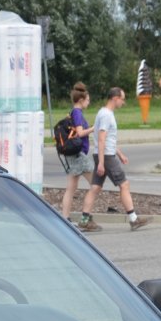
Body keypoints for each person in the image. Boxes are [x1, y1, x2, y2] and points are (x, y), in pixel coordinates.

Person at [83, 86, 148, 231]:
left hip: (104, 154)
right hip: (106, 157)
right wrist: (101, 162)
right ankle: (133, 219)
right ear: (115, 98)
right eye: (122, 99)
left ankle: (84, 220)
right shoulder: (106, 115)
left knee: (95, 188)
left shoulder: (102, 112)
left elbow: (108, 139)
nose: (123, 102)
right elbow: (101, 139)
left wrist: (120, 153)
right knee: (124, 185)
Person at [58, 83, 100, 231]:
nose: (89, 102)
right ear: (81, 100)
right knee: (96, 184)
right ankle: (86, 218)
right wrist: (94, 128)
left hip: (73, 155)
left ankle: (65, 219)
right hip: (78, 155)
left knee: (71, 188)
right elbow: (81, 133)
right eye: (87, 99)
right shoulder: (77, 113)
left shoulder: (73, 112)